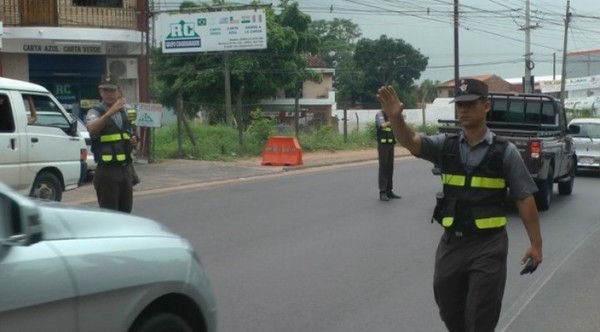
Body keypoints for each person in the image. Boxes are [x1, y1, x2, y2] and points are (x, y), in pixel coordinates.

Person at [377, 78, 543, 332]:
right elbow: (411, 141)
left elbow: (524, 196)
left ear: (486, 106)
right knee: (449, 308)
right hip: (452, 244)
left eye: (470, 104)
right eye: (459, 105)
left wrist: (536, 245)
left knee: (480, 316)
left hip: (489, 245)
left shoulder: (504, 151)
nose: (463, 110)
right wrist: (396, 118)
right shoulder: (446, 146)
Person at [86, 74, 138, 213]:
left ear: (119, 92)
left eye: (112, 90)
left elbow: (132, 132)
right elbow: (92, 128)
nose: (108, 94)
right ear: (100, 92)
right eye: (105, 90)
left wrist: (134, 139)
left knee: (126, 213)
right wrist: (110, 112)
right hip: (107, 171)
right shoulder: (95, 112)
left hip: (126, 169)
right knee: (110, 214)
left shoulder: (127, 111)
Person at [375, 110, 401, 201]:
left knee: (390, 167)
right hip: (383, 145)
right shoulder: (380, 114)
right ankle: (382, 192)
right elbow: (381, 125)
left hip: (391, 144)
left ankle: (389, 190)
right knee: (383, 167)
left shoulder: (391, 115)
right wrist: (392, 121)